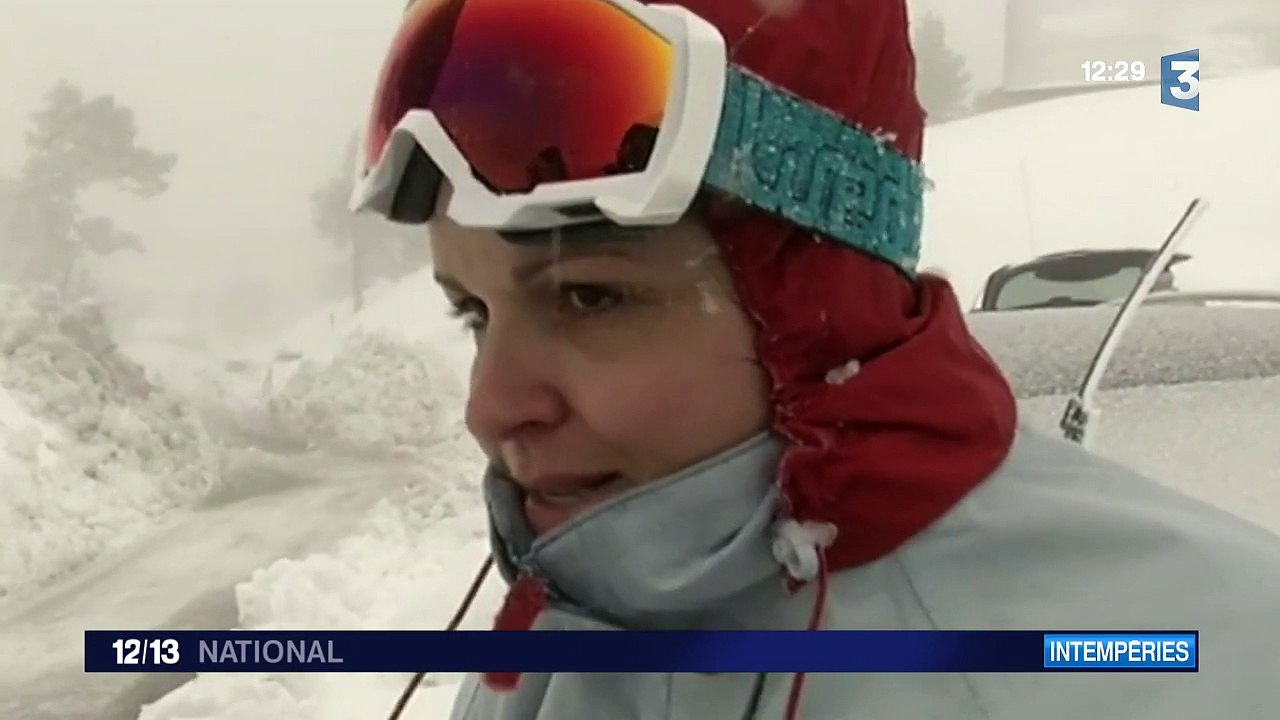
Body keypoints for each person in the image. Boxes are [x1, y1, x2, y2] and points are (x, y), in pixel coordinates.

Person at [350, 0, 1280, 717]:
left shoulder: (1209, 658)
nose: (490, 407)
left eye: (590, 296)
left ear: (812, 307)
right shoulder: (576, 612)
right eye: (475, 313)